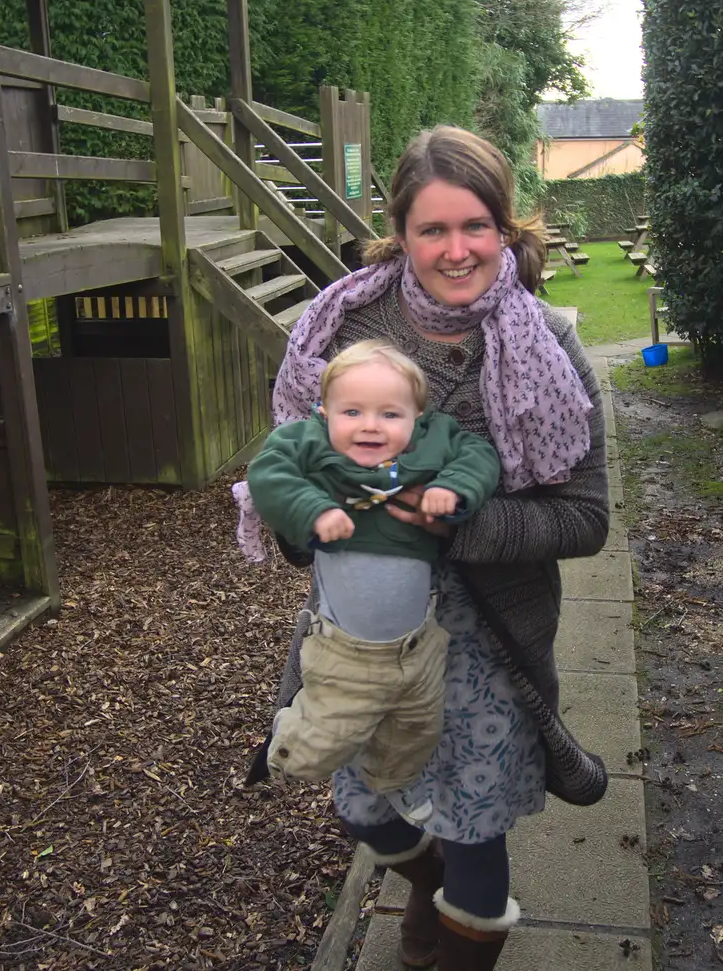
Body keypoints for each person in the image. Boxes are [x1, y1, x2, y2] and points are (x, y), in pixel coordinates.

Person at [239, 125, 609, 971]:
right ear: (399, 232)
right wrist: (309, 524)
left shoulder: (547, 342)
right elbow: (289, 462)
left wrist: (452, 522)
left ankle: (461, 937)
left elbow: (585, 519)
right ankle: (428, 884)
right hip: (365, 634)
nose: (455, 249)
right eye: (432, 229)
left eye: (475, 226)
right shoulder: (344, 325)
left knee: (477, 825)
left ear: (506, 228)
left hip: (489, 637)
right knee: (363, 807)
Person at [246, 340, 501, 825]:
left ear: (418, 416)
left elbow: (478, 455)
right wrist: (312, 509)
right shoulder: (308, 442)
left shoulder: (435, 441)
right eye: (352, 411)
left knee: (417, 729)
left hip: (418, 644)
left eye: (390, 414)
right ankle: (289, 741)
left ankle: (395, 781)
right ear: (324, 412)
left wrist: (453, 488)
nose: (370, 425)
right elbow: (268, 472)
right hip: (345, 651)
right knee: (324, 744)